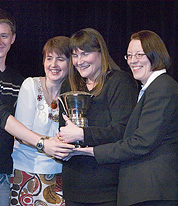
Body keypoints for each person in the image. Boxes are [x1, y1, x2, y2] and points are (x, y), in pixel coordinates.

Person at [0, 9, 74, 206]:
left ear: (13, 38)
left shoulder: (17, 81)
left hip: (3, 175)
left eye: (4, 35)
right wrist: (43, 143)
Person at [66, 30, 178, 206]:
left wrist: (91, 151)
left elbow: (141, 142)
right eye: (129, 55)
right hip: (145, 192)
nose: (133, 60)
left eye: (139, 54)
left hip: (154, 192)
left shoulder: (163, 88)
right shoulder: (150, 89)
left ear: (155, 54)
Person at [58, 28, 138, 206]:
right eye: (75, 55)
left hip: (107, 189)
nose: (79, 61)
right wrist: (59, 145)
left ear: (101, 52)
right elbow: (63, 130)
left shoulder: (120, 82)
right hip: (74, 186)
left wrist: (82, 134)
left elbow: (123, 131)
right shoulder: (68, 85)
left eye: (85, 54)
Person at [10, 36, 70, 205]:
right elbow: (21, 133)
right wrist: (48, 143)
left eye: (60, 59)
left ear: (71, 63)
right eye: (49, 58)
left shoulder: (74, 94)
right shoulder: (31, 85)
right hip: (27, 173)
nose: (53, 65)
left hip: (60, 176)